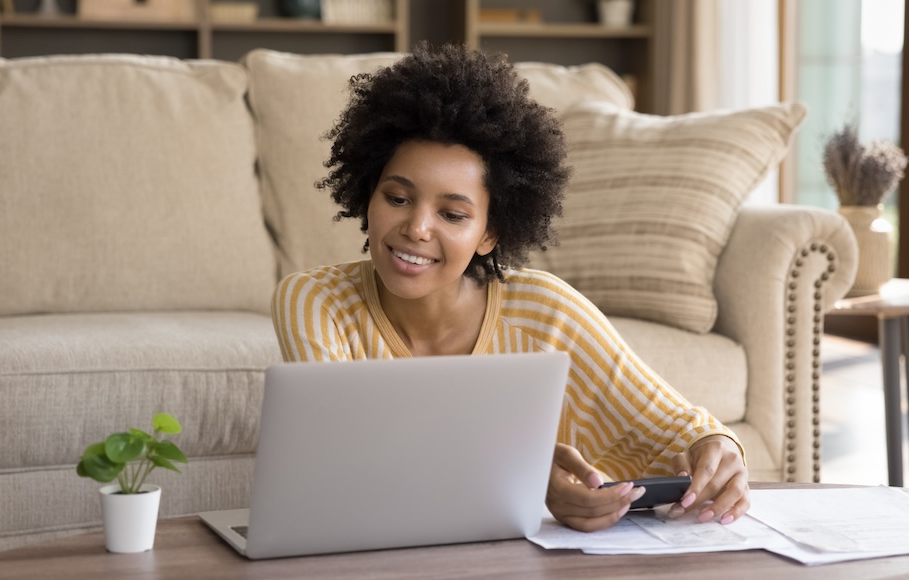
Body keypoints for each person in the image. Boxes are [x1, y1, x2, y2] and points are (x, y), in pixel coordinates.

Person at [271, 42, 749, 532]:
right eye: (397, 197)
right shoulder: (315, 302)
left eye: (452, 214)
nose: (416, 228)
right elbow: (348, 462)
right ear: (368, 195)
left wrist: (718, 448)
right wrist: (524, 476)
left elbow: (676, 424)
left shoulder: (547, 310)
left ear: (490, 234)